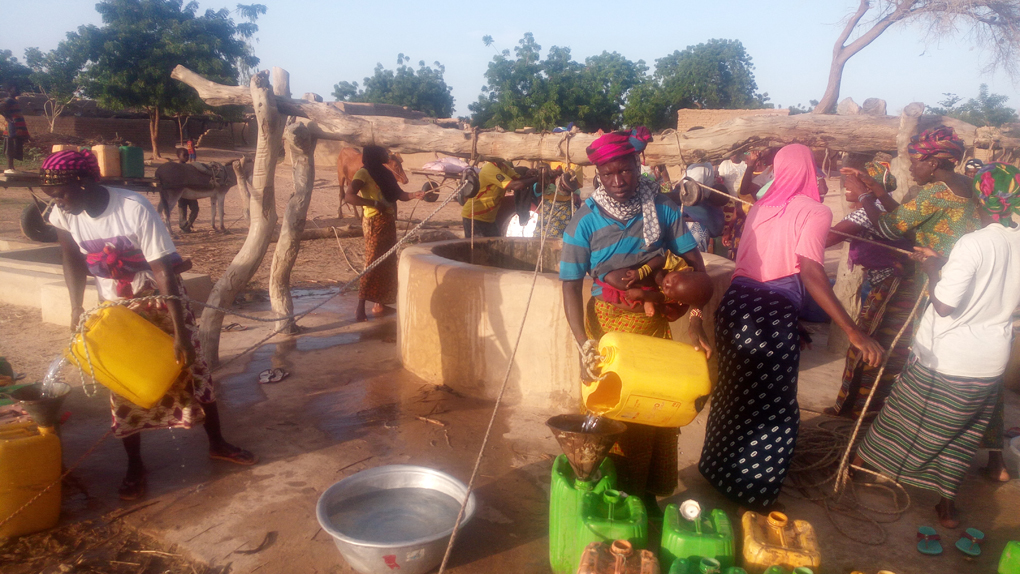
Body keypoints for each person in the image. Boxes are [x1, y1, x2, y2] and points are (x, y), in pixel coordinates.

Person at [41, 150, 256, 501]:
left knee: (193, 371)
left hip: (160, 301)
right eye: (55, 198)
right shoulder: (64, 214)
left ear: (83, 182)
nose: (59, 203)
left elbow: (162, 269)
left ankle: (217, 442)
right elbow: (72, 260)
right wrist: (76, 306)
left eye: (62, 194)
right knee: (123, 385)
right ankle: (135, 465)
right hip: (116, 309)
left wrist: (182, 334)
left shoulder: (133, 208)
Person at [698, 144, 883, 512]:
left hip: (735, 307)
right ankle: (753, 490)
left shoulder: (761, 207)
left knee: (733, 393)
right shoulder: (815, 211)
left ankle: (718, 472)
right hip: (770, 312)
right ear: (809, 170)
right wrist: (851, 329)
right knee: (772, 405)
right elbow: (811, 272)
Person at [856, 162, 1020, 528]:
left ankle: (860, 464)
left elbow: (944, 306)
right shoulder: (1017, 240)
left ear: (981, 196)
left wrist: (932, 269)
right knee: (961, 435)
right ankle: (945, 507)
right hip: (991, 360)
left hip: (947, 356)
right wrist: (945, 262)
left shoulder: (973, 242)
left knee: (902, 416)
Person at [560, 127, 713, 512]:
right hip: (606, 331)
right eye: (607, 174)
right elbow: (569, 286)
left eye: (624, 170)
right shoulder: (585, 221)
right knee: (609, 412)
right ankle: (612, 497)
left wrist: (695, 323)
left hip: (653, 332)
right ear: (598, 175)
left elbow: (698, 274)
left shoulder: (662, 210)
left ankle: (644, 494)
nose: (618, 181)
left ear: (636, 163)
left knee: (652, 410)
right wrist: (584, 344)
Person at [841, 127, 981, 419]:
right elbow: (908, 221)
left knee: (906, 345)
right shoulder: (965, 185)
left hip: (932, 283)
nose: (912, 168)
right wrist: (877, 190)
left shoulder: (936, 192)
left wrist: (865, 195)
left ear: (933, 163)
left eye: (916, 161)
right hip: (958, 278)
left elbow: (889, 228)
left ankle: (892, 415)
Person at [824, 160, 913, 417]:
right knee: (868, 344)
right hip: (884, 282)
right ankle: (852, 406)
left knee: (868, 345)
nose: (846, 186)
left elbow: (828, 238)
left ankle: (861, 409)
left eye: (855, 182)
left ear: (870, 188)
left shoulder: (867, 212)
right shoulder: (875, 209)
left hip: (891, 285)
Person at [344, 145, 425, 322]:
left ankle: (379, 304)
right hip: (373, 222)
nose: (386, 155)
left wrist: (414, 195)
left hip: (388, 221)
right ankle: (360, 308)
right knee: (373, 261)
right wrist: (373, 203)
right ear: (374, 155)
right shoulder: (363, 174)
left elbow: (399, 194)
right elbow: (349, 196)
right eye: (383, 152)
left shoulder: (386, 173)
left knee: (388, 260)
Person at [461, 159, 539, 237]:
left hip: (489, 219)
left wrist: (530, 176)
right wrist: (537, 179)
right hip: (474, 216)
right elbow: (515, 185)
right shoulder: (490, 169)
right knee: (478, 247)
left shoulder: (503, 167)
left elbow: (518, 179)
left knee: (496, 245)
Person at [1, 84, 29, 174]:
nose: (17, 90)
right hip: (12, 127)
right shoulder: (8, 100)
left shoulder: (13, 100)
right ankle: (10, 167)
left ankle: (11, 167)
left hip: (16, 127)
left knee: (14, 145)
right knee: (10, 145)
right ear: (9, 91)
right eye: (15, 89)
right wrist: (6, 116)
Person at [175, 148, 200, 232]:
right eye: (184, 155)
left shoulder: (190, 167)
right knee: (182, 211)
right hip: (181, 193)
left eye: (188, 155)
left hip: (190, 192)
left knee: (195, 209)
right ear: (178, 156)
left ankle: (188, 225)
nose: (187, 157)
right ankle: (184, 227)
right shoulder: (176, 168)